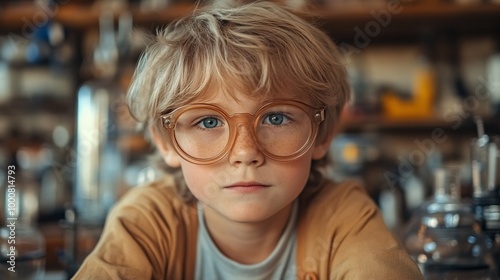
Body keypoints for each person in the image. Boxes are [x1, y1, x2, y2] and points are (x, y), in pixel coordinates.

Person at [73, 1, 423, 279]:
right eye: (208, 121)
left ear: (323, 134)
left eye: (275, 117)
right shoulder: (148, 220)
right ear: (166, 143)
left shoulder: (344, 216)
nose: (245, 153)